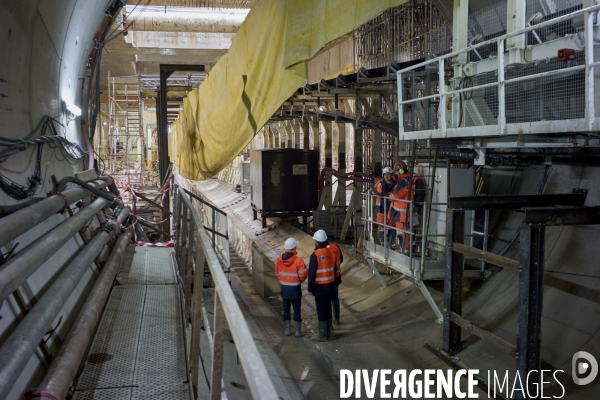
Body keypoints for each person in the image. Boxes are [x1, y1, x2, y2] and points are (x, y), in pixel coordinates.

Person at [275, 238, 308, 337]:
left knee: (286, 309)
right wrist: (298, 281)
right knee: (296, 309)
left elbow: (277, 273)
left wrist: (283, 280)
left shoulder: (279, 260)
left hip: (284, 288)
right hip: (295, 289)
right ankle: (298, 331)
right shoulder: (298, 260)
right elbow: (304, 274)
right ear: (294, 247)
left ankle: (287, 330)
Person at [308, 229, 337, 342]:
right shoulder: (331, 252)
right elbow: (334, 269)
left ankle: (322, 335)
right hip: (330, 285)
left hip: (320, 287)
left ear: (316, 241)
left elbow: (312, 273)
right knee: (328, 308)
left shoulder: (315, 254)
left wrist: (310, 288)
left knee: (321, 310)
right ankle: (328, 332)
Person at [388, 160, 411, 251]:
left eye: (396, 172)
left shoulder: (402, 182)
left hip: (401, 214)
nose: (395, 174)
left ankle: (405, 250)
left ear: (400, 171)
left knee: (402, 233)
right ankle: (405, 249)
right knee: (404, 233)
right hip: (403, 213)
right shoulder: (407, 180)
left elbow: (397, 195)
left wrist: (391, 196)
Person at [372, 167, 396, 247]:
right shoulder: (379, 183)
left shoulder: (396, 184)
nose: (386, 176)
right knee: (381, 228)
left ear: (392, 175)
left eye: (388, 174)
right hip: (381, 210)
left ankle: (390, 244)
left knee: (392, 228)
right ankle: (383, 244)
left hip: (392, 210)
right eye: (385, 174)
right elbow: (372, 191)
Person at [329, 238, 343, 325]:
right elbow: (341, 259)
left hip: (327, 279)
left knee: (327, 300)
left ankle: (328, 321)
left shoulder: (324, 250)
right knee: (335, 298)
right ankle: (336, 319)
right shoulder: (336, 247)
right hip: (336, 278)